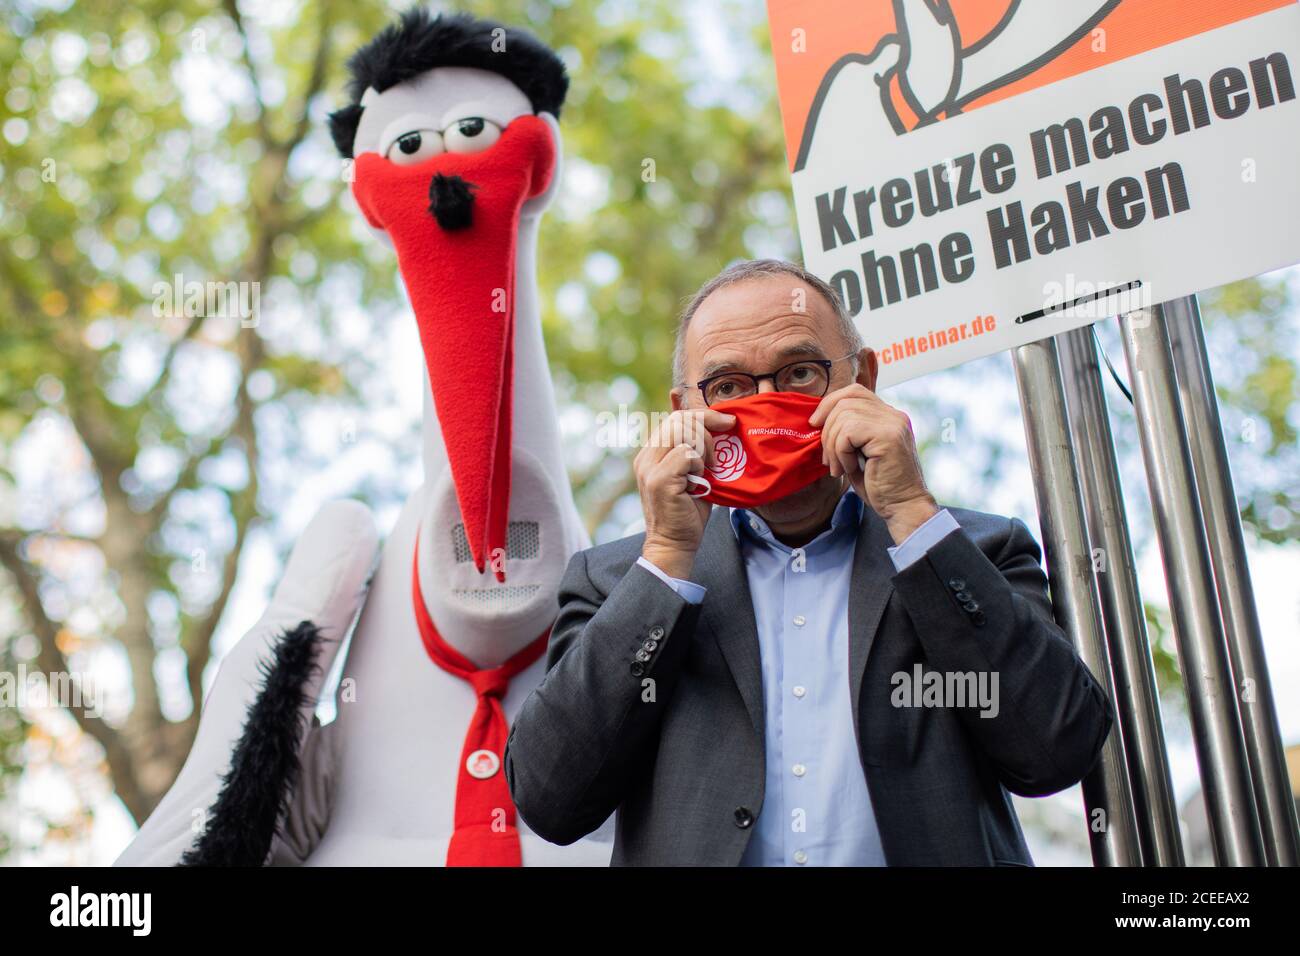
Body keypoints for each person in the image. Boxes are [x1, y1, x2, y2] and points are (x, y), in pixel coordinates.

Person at [505, 258, 1112, 866]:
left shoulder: (975, 550)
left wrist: (910, 512)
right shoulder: (612, 583)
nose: (766, 407)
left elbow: (1055, 749)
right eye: (730, 388)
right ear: (684, 410)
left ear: (863, 379)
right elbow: (552, 800)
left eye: (799, 373)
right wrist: (665, 560)